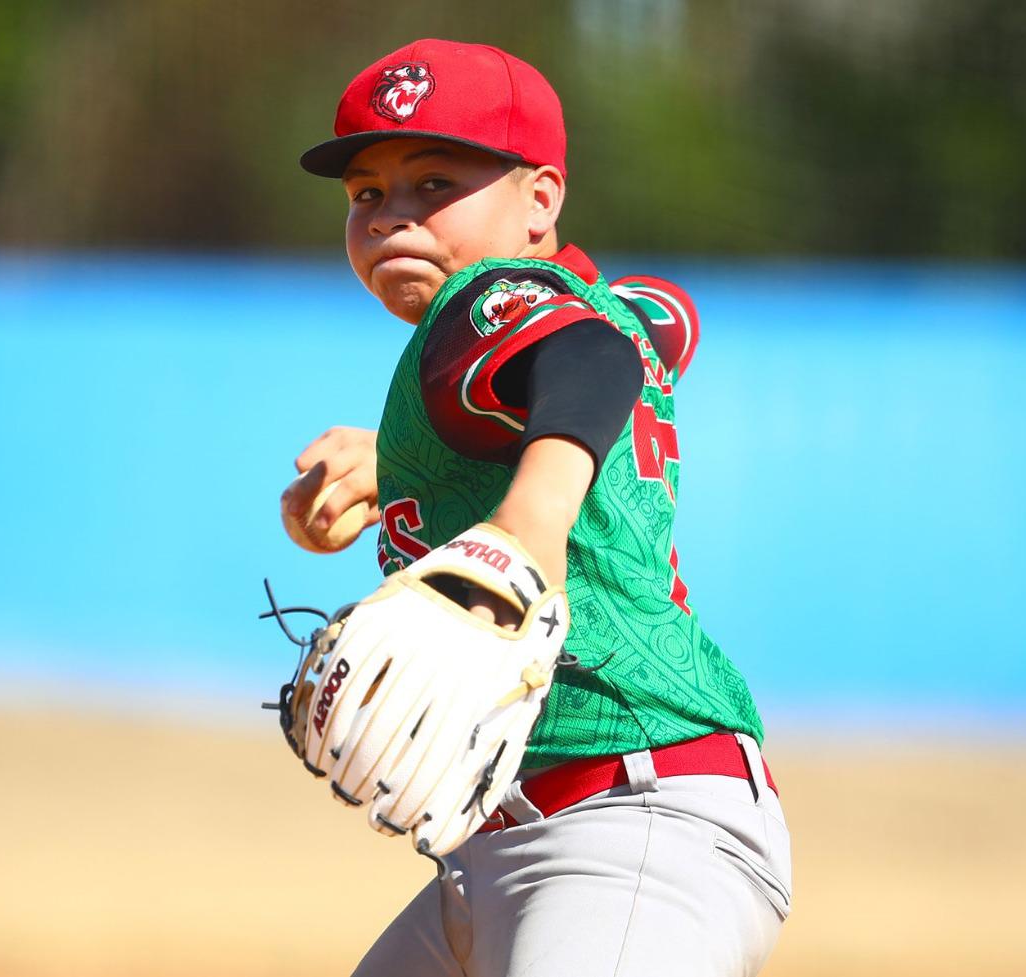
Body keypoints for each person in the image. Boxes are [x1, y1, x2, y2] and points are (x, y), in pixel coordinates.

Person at [282, 38, 792, 977]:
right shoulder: (579, 304)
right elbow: (658, 317)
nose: (394, 216)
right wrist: (397, 459)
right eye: (367, 194)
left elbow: (593, 357)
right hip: (518, 847)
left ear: (540, 201)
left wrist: (528, 522)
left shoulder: (480, 302)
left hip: (629, 827)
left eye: (436, 182)